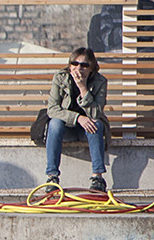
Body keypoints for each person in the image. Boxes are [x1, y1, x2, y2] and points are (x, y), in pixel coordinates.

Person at [43, 46, 108, 194]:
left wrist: (83, 88)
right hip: (66, 127)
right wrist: (78, 118)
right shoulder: (60, 78)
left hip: (88, 130)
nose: (79, 68)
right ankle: (52, 177)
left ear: (92, 68)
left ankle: (97, 177)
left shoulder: (100, 81)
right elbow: (52, 109)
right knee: (54, 123)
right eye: (75, 64)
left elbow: (96, 113)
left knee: (96, 124)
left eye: (84, 65)